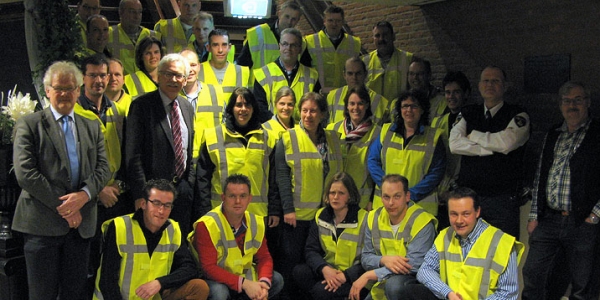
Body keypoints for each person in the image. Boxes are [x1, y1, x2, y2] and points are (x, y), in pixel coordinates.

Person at [12, 60, 110, 299]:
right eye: (59, 88)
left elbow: (104, 168)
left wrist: (84, 196)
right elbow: (26, 174)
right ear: (47, 91)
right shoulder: (29, 125)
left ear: (79, 90)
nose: (65, 93)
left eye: (70, 88)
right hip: (42, 226)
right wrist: (66, 207)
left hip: (81, 227)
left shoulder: (91, 126)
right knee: (42, 295)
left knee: (75, 294)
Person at [522, 81, 600, 300]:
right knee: (533, 274)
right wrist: (534, 215)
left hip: (582, 221)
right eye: (567, 101)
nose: (572, 105)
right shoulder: (553, 134)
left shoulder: (597, 134)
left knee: (582, 283)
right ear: (560, 105)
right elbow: (540, 176)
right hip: (549, 220)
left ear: (588, 103)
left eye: (577, 100)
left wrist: (594, 216)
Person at [275, 92, 343, 300]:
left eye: (313, 110)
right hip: (296, 217)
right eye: (304, 110)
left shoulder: (333, 139)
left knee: (313, 267)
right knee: (291, 266)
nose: (308, 115)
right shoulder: (288, 138)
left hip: (324, 217)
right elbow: (281, 176)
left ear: (322, 114)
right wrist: (287, 208)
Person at [449, 66, 530, 239]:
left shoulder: (517, 114)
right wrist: (489, 150)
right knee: (468, 250)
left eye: (495, 81)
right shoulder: (468, 112)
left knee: (502, 252)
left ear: (505, 86)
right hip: (469, 198)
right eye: (486, 80)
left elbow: (507, 143)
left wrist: (474, 136)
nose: (490, 84)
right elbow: (455, 144)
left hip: (502, 201)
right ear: (479, 85)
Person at [94, 179, 209, 300]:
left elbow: (189, 268)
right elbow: (107, 281)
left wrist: (159, 283)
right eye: (156, 203)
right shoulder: (120, 227)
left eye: (167, 205)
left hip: (154, 297)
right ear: (143, 204)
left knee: (199, 287)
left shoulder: (172, 229)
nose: (161, 211)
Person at [404, 187, 524, 300]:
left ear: (477, 212)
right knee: (407, 289)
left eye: (466, 214)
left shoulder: (502, 243)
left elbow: (508, 293)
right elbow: (425, 270)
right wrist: (448, 293)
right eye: (454, 214)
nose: (459, 221)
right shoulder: (445, 235)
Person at [126, 53, 196, 238]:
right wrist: (141, 194)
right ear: (158, 76)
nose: (174, 80)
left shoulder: (187, 107)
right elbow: (133, 156)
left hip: (181, 193)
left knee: (177, 246)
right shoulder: (141, 106)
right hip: (152, 196)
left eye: (179, 75)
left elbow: (188, 149)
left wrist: (188, 185)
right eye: (168, 74)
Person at [74, 54, 130, 286]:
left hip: (118, 196)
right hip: (87, 201)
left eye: (103, 75)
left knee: (114, 264)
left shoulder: (118, 112)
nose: (99, 80)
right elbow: (71, 164)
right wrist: (99, 191)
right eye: (93, 75)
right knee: (86, 267)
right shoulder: (74, 114)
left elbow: (128, 154)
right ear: (82, 79)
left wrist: (118, 185)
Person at [191, 174, 284, 300]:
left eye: (243, 196)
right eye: (232, 196)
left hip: (242, 276)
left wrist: (263, 284)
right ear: (223, 197)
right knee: (219, 293)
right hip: (215, 279)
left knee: (276, 279)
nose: (238, 201)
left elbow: (264, 257)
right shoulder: (207, 224)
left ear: (249, 198)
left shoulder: (255, 221)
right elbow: (208, 268)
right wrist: (244, 283)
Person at [349, 174, 436, 300]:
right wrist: (384, 260)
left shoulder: (422, 221)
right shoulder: (373, 217)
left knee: (394, 285)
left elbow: (415, 265)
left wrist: (371, 274)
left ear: (407, 196)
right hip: (383, 282)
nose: (391, 203)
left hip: (414, 284)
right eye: (386, 197)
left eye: (397, 196)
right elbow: (366, 258)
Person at [196, 87, 279, 221]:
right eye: (238, 105)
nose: (243, 109)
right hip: (221, 213)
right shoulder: (213, 136)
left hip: (257, 215)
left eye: (247, 105)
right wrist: (205, 211)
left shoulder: (268, 138)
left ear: (253, 108)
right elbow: (202, 179)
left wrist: (274, 210)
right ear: (231, 108)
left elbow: (274, 179)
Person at [367, 90, 446, 215]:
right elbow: (373, 161)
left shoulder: (434, 137)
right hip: (385, 206)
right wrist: (389, 188)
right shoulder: (386, 132)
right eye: (405, 106)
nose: (409, 110)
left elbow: (436, 172)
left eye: (414, 106)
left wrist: (410, 195)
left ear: (422, 110)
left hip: (419, 208)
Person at [293, 172, 369, 300]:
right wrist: (324, 268)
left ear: (350, 195)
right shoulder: (321, 215)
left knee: (320, 291)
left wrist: (346, 275)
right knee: (299, 272)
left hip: (354, 276)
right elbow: (311, 250)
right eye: (332, 193)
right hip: (330, 271)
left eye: (341, 193)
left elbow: (370, 258)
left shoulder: (365, 219)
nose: (335, 197)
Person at [326, 86, 381, 209]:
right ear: (346, 106)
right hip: (335, 197)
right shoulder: (332, 129)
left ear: (367, 105)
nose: (356, 108)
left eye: (360, 103)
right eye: (352, 103)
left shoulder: (377, 133)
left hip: (361, 198)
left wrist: (372, 199)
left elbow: (379, 168)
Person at [430, 71, 470, 228]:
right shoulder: (439, 122)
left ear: (466, 94)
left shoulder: (473, 120)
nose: (451, 97)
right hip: (441, 190)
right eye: (447, 92)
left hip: (463, 188)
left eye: (456, 92)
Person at [253, 28, 320, 122]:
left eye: (293, 45)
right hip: (272, 132)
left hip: (302, 133)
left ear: (300, 49)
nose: (288, 48)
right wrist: (280, 125)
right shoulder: (262, 74)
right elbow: (259, 108)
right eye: (285, 44)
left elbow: (315, 107)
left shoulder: (312, 76)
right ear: (279, 46)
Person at [301, 5, 361, 94]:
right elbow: (304, 71)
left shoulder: (354, 43)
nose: (334, 24)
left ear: (343, 22)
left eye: (338, 21)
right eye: (330, 20)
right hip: (318, 95)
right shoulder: (309, 41)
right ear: (324, 21)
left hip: (345, 95)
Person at [179, 49, 225, 164]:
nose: (189, 70)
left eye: (193, 65)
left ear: (199, 67)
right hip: (180, 160)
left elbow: (226, 124)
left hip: (210, 159)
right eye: (184, 65)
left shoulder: (216, 92)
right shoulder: (171, 96)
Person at [237, 0, 302, 73]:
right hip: (258, 83)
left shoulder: (300, 41)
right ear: (279, 14)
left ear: (298, 20)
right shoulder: (258, 34)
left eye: (294, 19)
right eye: (287, 17)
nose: (289, 22)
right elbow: (242, 65)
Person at [327, 57, 390, 126]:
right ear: (344, 75)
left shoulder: (380, 102)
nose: (354, 77)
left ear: (365, 74)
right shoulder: (333, 96)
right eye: (350, 74)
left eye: (358, 73)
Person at [363, 21, 413, 102]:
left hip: (398, 112)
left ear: (393, 37)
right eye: (377, 35)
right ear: (373, 39)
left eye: (385, 35)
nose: (381, 39)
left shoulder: (408, 59)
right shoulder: (365, 61)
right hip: (374, 113)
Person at [107, 0, 161, 75]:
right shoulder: (108, 34)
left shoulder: (154, 36)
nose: (137, 16)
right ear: (121, 12)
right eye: (132, 12)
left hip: (148, 84)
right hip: (120, 84)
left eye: (139, 12)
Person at [198, 29, 250, 103]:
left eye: (224, 45)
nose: (220, 50)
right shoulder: (198, 70)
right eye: (215, 45)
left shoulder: (241, 72)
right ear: (208, 48)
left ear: (229, 47)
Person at [408, 58, 446, 124]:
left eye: (420, 74)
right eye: (411, 73)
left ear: (429, 75)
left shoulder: (441, 102)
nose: (415, 77)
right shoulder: (400, 102)